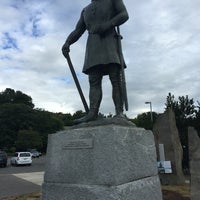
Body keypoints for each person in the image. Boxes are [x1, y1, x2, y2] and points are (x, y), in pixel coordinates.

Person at [62, 0, 129, 124]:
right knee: (94, 80)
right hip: (93, 46)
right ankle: (92, 113)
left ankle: (119, 112)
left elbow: (124, 14)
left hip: (110, 42)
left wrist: (107, 25)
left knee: (115, 78)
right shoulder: (85, 10)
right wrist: (68, 42)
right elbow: (78, 30)